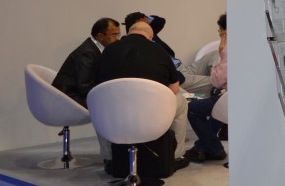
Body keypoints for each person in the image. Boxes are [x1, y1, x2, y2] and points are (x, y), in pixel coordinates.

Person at [96, 20, 190, 169]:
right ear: (150, 37)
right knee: (182, 103)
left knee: (100, 105)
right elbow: (174, 88)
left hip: (117, 112)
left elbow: (99, 84)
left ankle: (110, 158)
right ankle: (176, 157)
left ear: (128, 34)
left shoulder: (108, 50)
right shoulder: (158, 50)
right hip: (151, 113)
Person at [185, 14, 229, 163]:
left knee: (192, 109)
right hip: (234, 97)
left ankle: (214, 149)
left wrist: (222, 50)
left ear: (224, 31)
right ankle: (201, 147)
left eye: (220, 30)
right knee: (215, 105)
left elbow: (217, 81)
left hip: (229, 99)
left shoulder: (227, 50)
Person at [52, 17, 121, 107]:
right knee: (111, 104)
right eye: (114, 35)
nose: (118, 39)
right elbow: (84, 86)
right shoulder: (87, 53)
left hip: (74, 94)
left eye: (118, 35)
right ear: (100, 36)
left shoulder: (94, 48)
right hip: (67, 98)